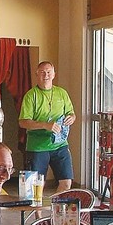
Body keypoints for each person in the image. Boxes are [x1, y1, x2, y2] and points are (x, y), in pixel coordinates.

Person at [18, 61, 76, 192]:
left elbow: (72, 114)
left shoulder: (62, 93)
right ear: (37, 74)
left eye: (49, 72)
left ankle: (56, 211)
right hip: (37, 147)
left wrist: (71, 118)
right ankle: (37, 213)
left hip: (60, 145)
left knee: (66, 182)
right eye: (43, 72)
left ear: (54, 74)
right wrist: (45, 125)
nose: (46, 75)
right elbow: (22, 122)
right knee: (36, 186)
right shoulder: (31, 96)